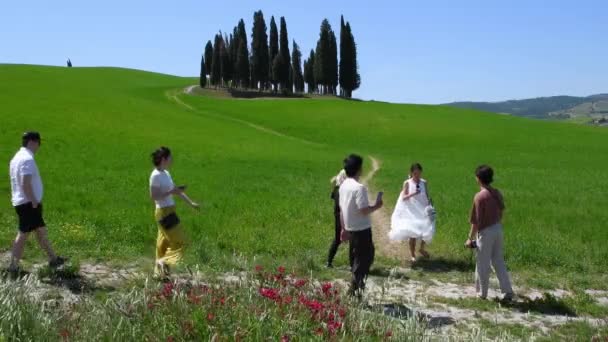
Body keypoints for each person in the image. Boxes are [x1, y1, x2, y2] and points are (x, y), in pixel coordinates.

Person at [7, 132, 66, 275]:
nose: (39, 146)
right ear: (32, 142)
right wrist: (34, 201)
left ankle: (53, 259)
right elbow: (25, 182)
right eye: (39, 143)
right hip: (28, 203)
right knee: (23, 234)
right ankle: (13, 267)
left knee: (40, 230)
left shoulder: (17, 157)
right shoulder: (27, 159)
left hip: (23, 202)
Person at [149, 147, 200, 278]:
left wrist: (191, 203)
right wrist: (171, 192)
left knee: (162, 245)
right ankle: (163, 262)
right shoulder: (155, 176)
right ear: (163, 159)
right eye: (170, 157)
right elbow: (154, 196)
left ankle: (160, 275)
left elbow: (175, 190)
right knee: (183, 242)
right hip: (164, 213)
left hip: (170, 210)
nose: (172, 160)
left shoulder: (166, 173)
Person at [465, 165, 514, 301]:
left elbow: (476, 221)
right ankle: (507, 290)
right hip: (498, 228)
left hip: (486, 232)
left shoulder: (479, 197)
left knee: (482, 263)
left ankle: (482, 293)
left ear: (478, 179)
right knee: (498, 261)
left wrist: (470, 238)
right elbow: (502, 211)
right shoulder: (496, 192)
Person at [339, 154, 383, 296]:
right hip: (362, 230)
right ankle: (354, 290)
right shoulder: (359, 188)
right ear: (359, 169)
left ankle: (356, 289)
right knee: (365, 259)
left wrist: (343, 228)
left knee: (356, 260)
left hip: (350, 228)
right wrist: (376, 206)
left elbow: (342, 209)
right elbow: (363, 210)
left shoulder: (343, 185)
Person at [388, 163, 436, 262]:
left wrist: (430, 204)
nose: (417, 176)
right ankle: (412, 255)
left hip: (422, 210)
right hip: (411, 211)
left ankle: (422, 248)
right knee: (412, 233)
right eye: (415, 173)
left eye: (419, 173)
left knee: (426, 229)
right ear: (411, 173)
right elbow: (404, 198)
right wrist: (414, 193)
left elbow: (427, 195)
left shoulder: (424, 182)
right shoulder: (407, 183)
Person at [326, 162, 348, 268]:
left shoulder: (337, 189)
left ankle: (329, 262)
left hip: (340, 216)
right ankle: (329, 262)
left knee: (338, 239)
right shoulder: (341, 191)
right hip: (342, 217)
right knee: (339, 238)